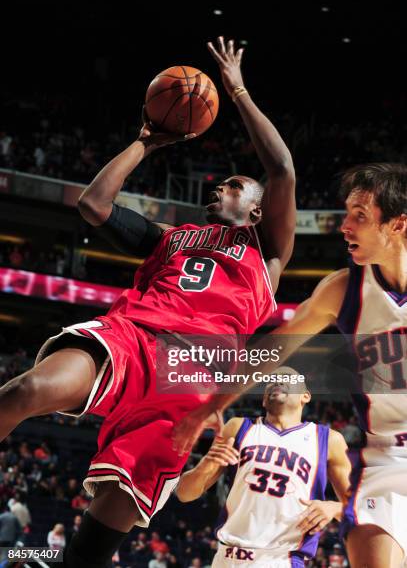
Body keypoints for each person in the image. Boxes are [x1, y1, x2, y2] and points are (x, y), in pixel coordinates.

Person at [0, 37, 296, 568]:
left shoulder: (267, 255)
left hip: (188, 381)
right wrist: (145, 143)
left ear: (256, 211)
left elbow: (282, 170)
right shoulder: (169, 236)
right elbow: (94, 205)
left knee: (93, 546)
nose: (217, 189)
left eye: (231, 186)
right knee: (26, 389)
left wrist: (238, 90)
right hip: (132, 340)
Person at [174, 163, 407, 568]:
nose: (345, 226)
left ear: (399, 224)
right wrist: (211, 405)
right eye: (347, 213)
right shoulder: (343, 290)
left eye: (360, 216)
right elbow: (272, 349)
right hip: (388, 460)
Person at [176, 367, 351, 567]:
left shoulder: (329, 440)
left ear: (306, 396)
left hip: (281, 559)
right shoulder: (238, 427)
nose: (277, 381)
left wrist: (333, 507)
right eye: (271, 380)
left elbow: (359, 505)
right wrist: (205, 465)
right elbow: (184, 493)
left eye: (286, 378)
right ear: (263, 400)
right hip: (227, 557)